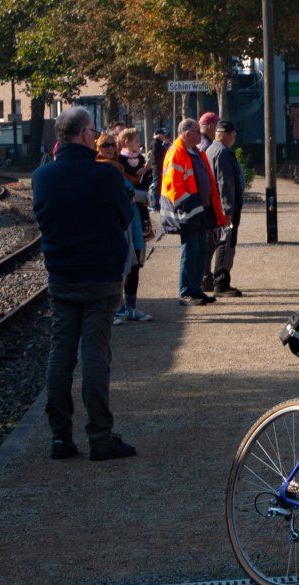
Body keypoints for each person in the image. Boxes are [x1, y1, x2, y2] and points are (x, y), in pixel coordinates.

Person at [32, 106, 137, 462]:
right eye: (93, 132)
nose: (96, 137)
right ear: (83, 135)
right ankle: (100, 437)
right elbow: (125, 214)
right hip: (101, 279)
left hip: (62, 277)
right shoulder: (104, 177)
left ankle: (61, 437)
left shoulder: (42, 177)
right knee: (95, 356)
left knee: (60, 355)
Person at [160, 117, 223, 305]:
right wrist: (189, 205)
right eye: (197, 131)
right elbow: (174, 185)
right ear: (187, 133)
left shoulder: (194, 152)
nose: (200, 134)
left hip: (198, 208)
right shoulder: (177, 152)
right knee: (190, 251)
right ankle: (186, 292)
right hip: (187, 211)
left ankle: (196, 290)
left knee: (200, 250)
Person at [97, 131, 151, 324]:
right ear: (98, 147)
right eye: (105, 145)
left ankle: (129, 307)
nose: (110, 148)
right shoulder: (101, 168)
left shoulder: (120, 166)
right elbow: (122, 193)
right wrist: (139, 195)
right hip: (119, 223)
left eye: (112, 144)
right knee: (121, 266)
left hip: (133, 220)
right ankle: (117, 308)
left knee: (134, 264)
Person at [207, 118, 245, 295]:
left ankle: (215, 280)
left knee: (220, 242)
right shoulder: (223, 153)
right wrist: (228, 209)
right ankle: (221, 283)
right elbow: (225, 183)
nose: (234, 138)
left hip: (216, 206)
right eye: (234, 134)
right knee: (226, 242)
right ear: (229, 135)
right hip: (225, 208)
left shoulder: (211, 150)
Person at [196, 112, 221, 292]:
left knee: (206, 240)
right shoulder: (207, 145)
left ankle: (203, 275)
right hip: (206, 200)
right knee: (209, 241)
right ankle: (204, 276)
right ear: (211, 126)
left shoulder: (198, 144)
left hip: (199, 199)